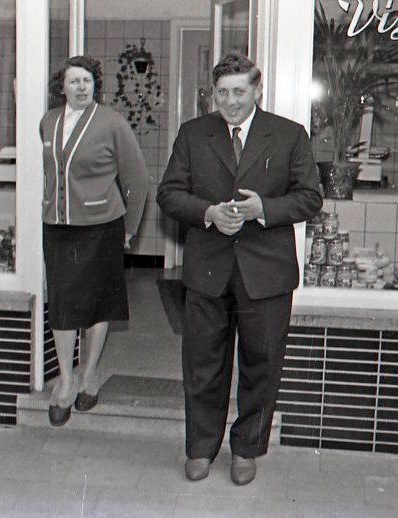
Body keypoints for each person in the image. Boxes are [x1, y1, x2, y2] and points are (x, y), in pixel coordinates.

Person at [157, 51, 322, 484]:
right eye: (222, 93)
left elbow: (310, 197)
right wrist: (208, 212)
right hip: (208, 270)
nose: (230, 101)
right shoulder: (193, 134)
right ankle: (200, 448)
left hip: (266, 274)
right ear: (213, 93)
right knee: (203, 365)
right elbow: (169, 194)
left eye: (239, 92)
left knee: (261, 366)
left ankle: (247, 448)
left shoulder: (288, 134)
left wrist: (263, 209)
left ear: (257, 90)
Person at [40, 56, 147, 426]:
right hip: (58, 226)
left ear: (95, 85)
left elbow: (137, 179)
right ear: (62, 87)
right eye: (74, 81)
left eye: (87, 81)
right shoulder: (49, 121)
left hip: (101, 226)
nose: (81, 87)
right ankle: (66, 380)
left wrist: (129, 228)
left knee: (97, 303)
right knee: (63, 304)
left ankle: (89, 374)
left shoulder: (112, 122)